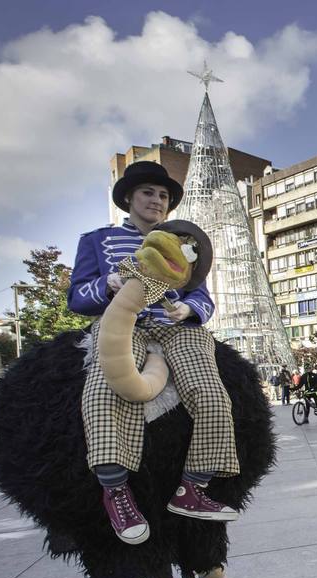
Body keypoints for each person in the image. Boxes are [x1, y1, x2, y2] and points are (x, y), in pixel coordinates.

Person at [68, 161, 239, 543]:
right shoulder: (97, 240)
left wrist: (189, 309)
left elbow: (201, 296)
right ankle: (116, 491)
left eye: (163, 195)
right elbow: (77, 298)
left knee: (212, 394)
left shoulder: (185, 245)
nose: (156, 201)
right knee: (103, 388)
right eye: (148, 192)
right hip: (121, 324)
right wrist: (107, 284)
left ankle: (193, 487)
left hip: (174, 327)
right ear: (129, 197)